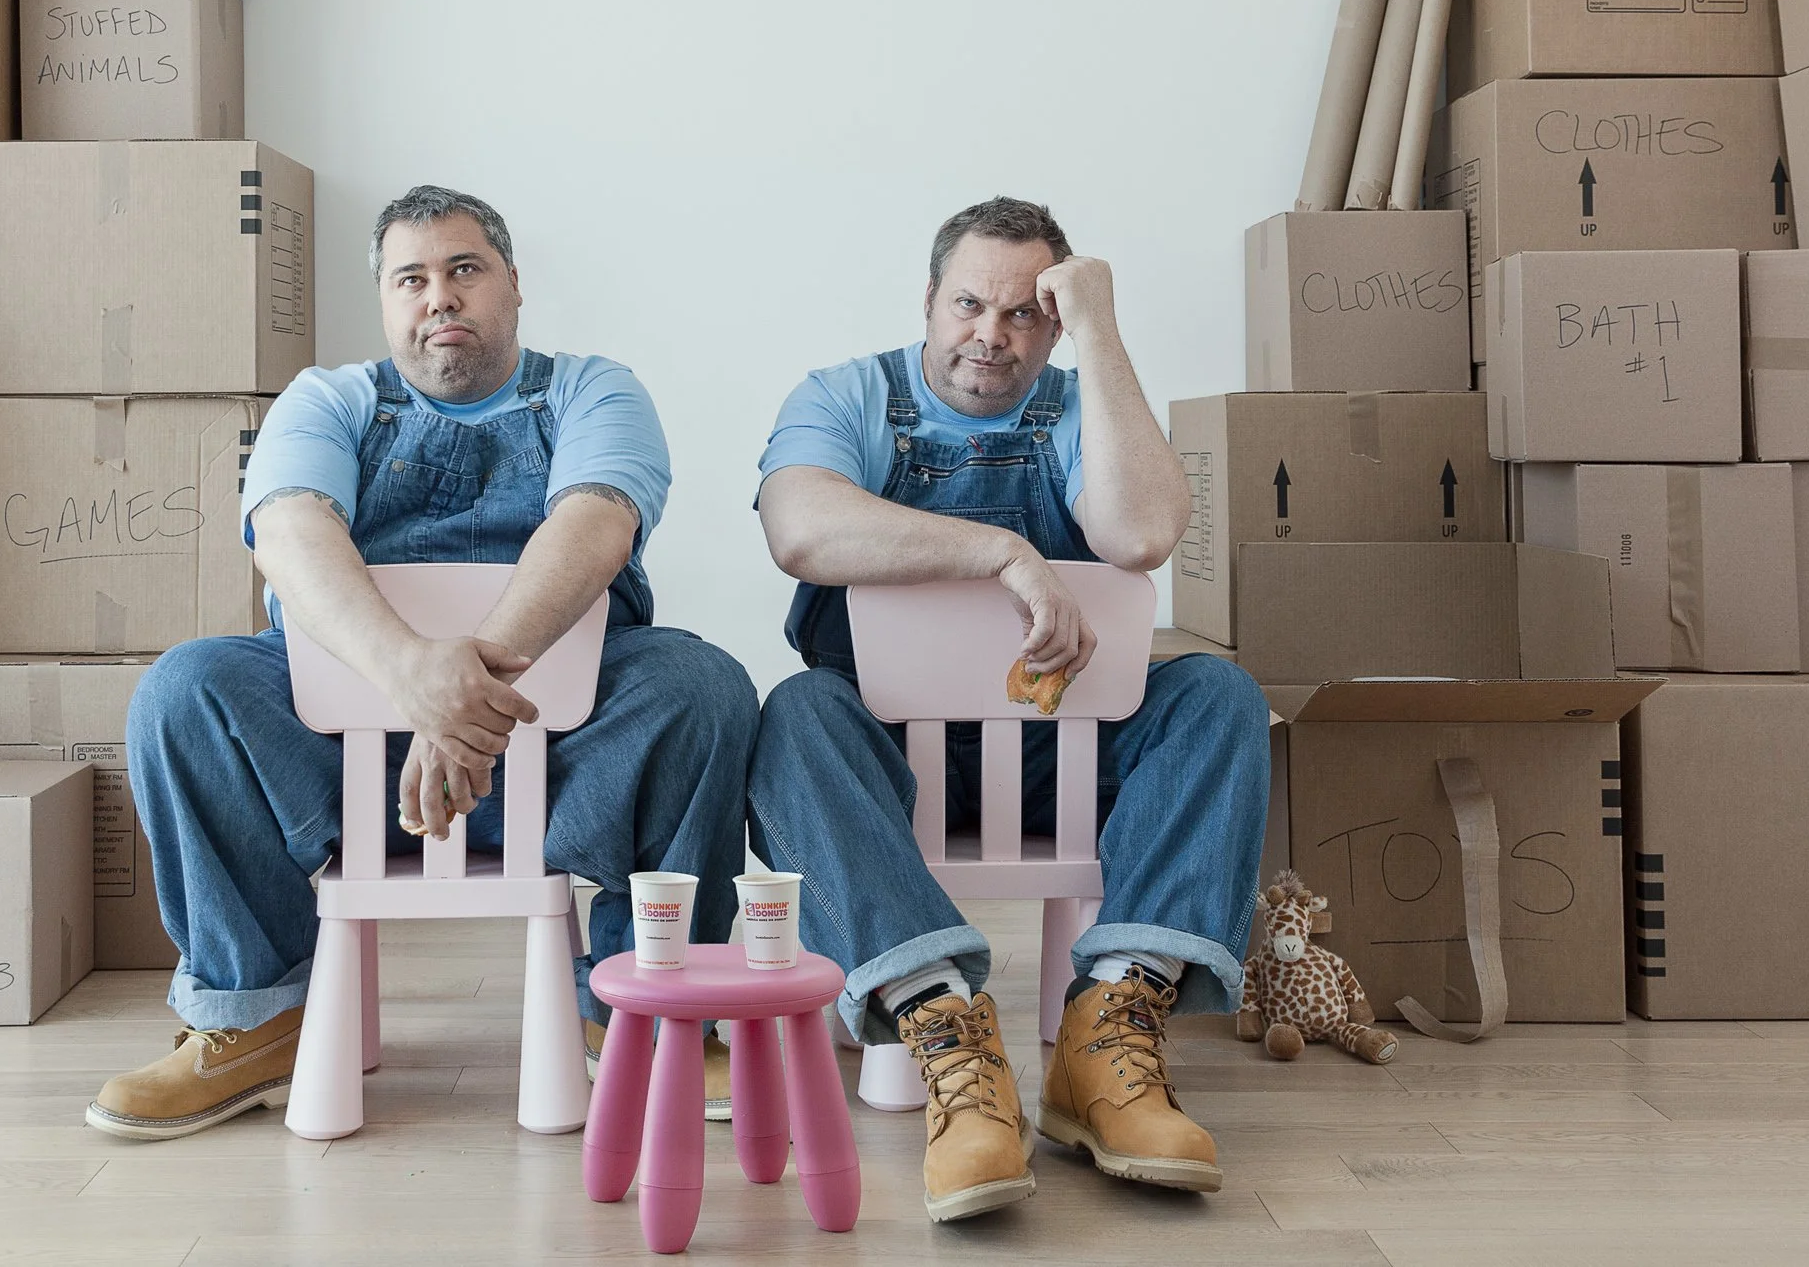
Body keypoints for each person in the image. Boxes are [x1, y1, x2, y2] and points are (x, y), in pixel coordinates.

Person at [90, 185, 760, 1140]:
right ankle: (253, 1020)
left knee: (703, 687)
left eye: (464, 269)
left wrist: (460, 710)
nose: (439, 295)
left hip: (563, 760)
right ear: (385, 300)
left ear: (514, 284)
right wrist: (414, 680)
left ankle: (646, 1008)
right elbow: (289, 533)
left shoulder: (595, 392)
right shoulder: (329, 400)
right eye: (411, 278)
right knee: (186, 690)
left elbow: (593, 526)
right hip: (347, 765)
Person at [746, 196, 1270, 1222]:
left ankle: (1111, 1034)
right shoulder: (845, 395)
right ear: (927, 300)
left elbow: (1142, 532)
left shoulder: (1079, 405)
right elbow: (799, 530)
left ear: (1054, 323)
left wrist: (1100, 329)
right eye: (968, 305)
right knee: (796, 715)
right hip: (887, 765)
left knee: (1216, 694)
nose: (991, 333)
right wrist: (1003, 553)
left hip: (1057, 758)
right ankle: (946, 1031)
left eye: (1025, 313)